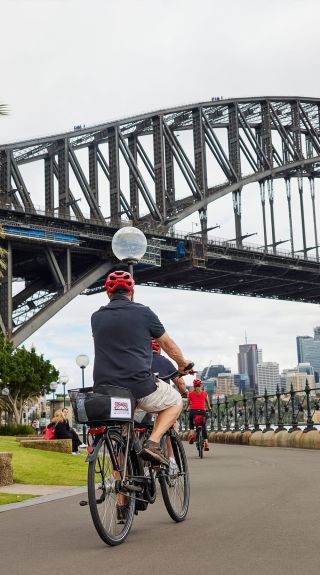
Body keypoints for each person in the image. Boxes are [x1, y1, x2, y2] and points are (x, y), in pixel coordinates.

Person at [91, 269, 193, 467]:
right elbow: (168, 345)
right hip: (138, 387)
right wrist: (182, 363)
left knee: (122, 441)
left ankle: (121, 495)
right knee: (175, 401)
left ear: (108, 293)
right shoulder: (144, 313)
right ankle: (153, 442)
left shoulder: (96, 317)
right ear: (133, 293)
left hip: (106, 390)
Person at [151, 339, 188, 469]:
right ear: (159, 348)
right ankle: (172, 461)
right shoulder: (165, 362)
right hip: (162, 405)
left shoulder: (140, 361)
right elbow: (180, 383)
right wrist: (185, 393)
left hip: (142, 405)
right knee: (169, 428)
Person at [185, 379, 211, 451]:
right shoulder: (204, 393)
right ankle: (206, 443)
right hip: (202, 412)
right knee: (203, 426)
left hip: (193, 412)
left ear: (194, 386)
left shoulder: (190, 394)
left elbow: (187, 404)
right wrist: (209, 408)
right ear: (201, 385)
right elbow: (208, 404)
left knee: (191, 420)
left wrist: (186, 409)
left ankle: (192, 433)